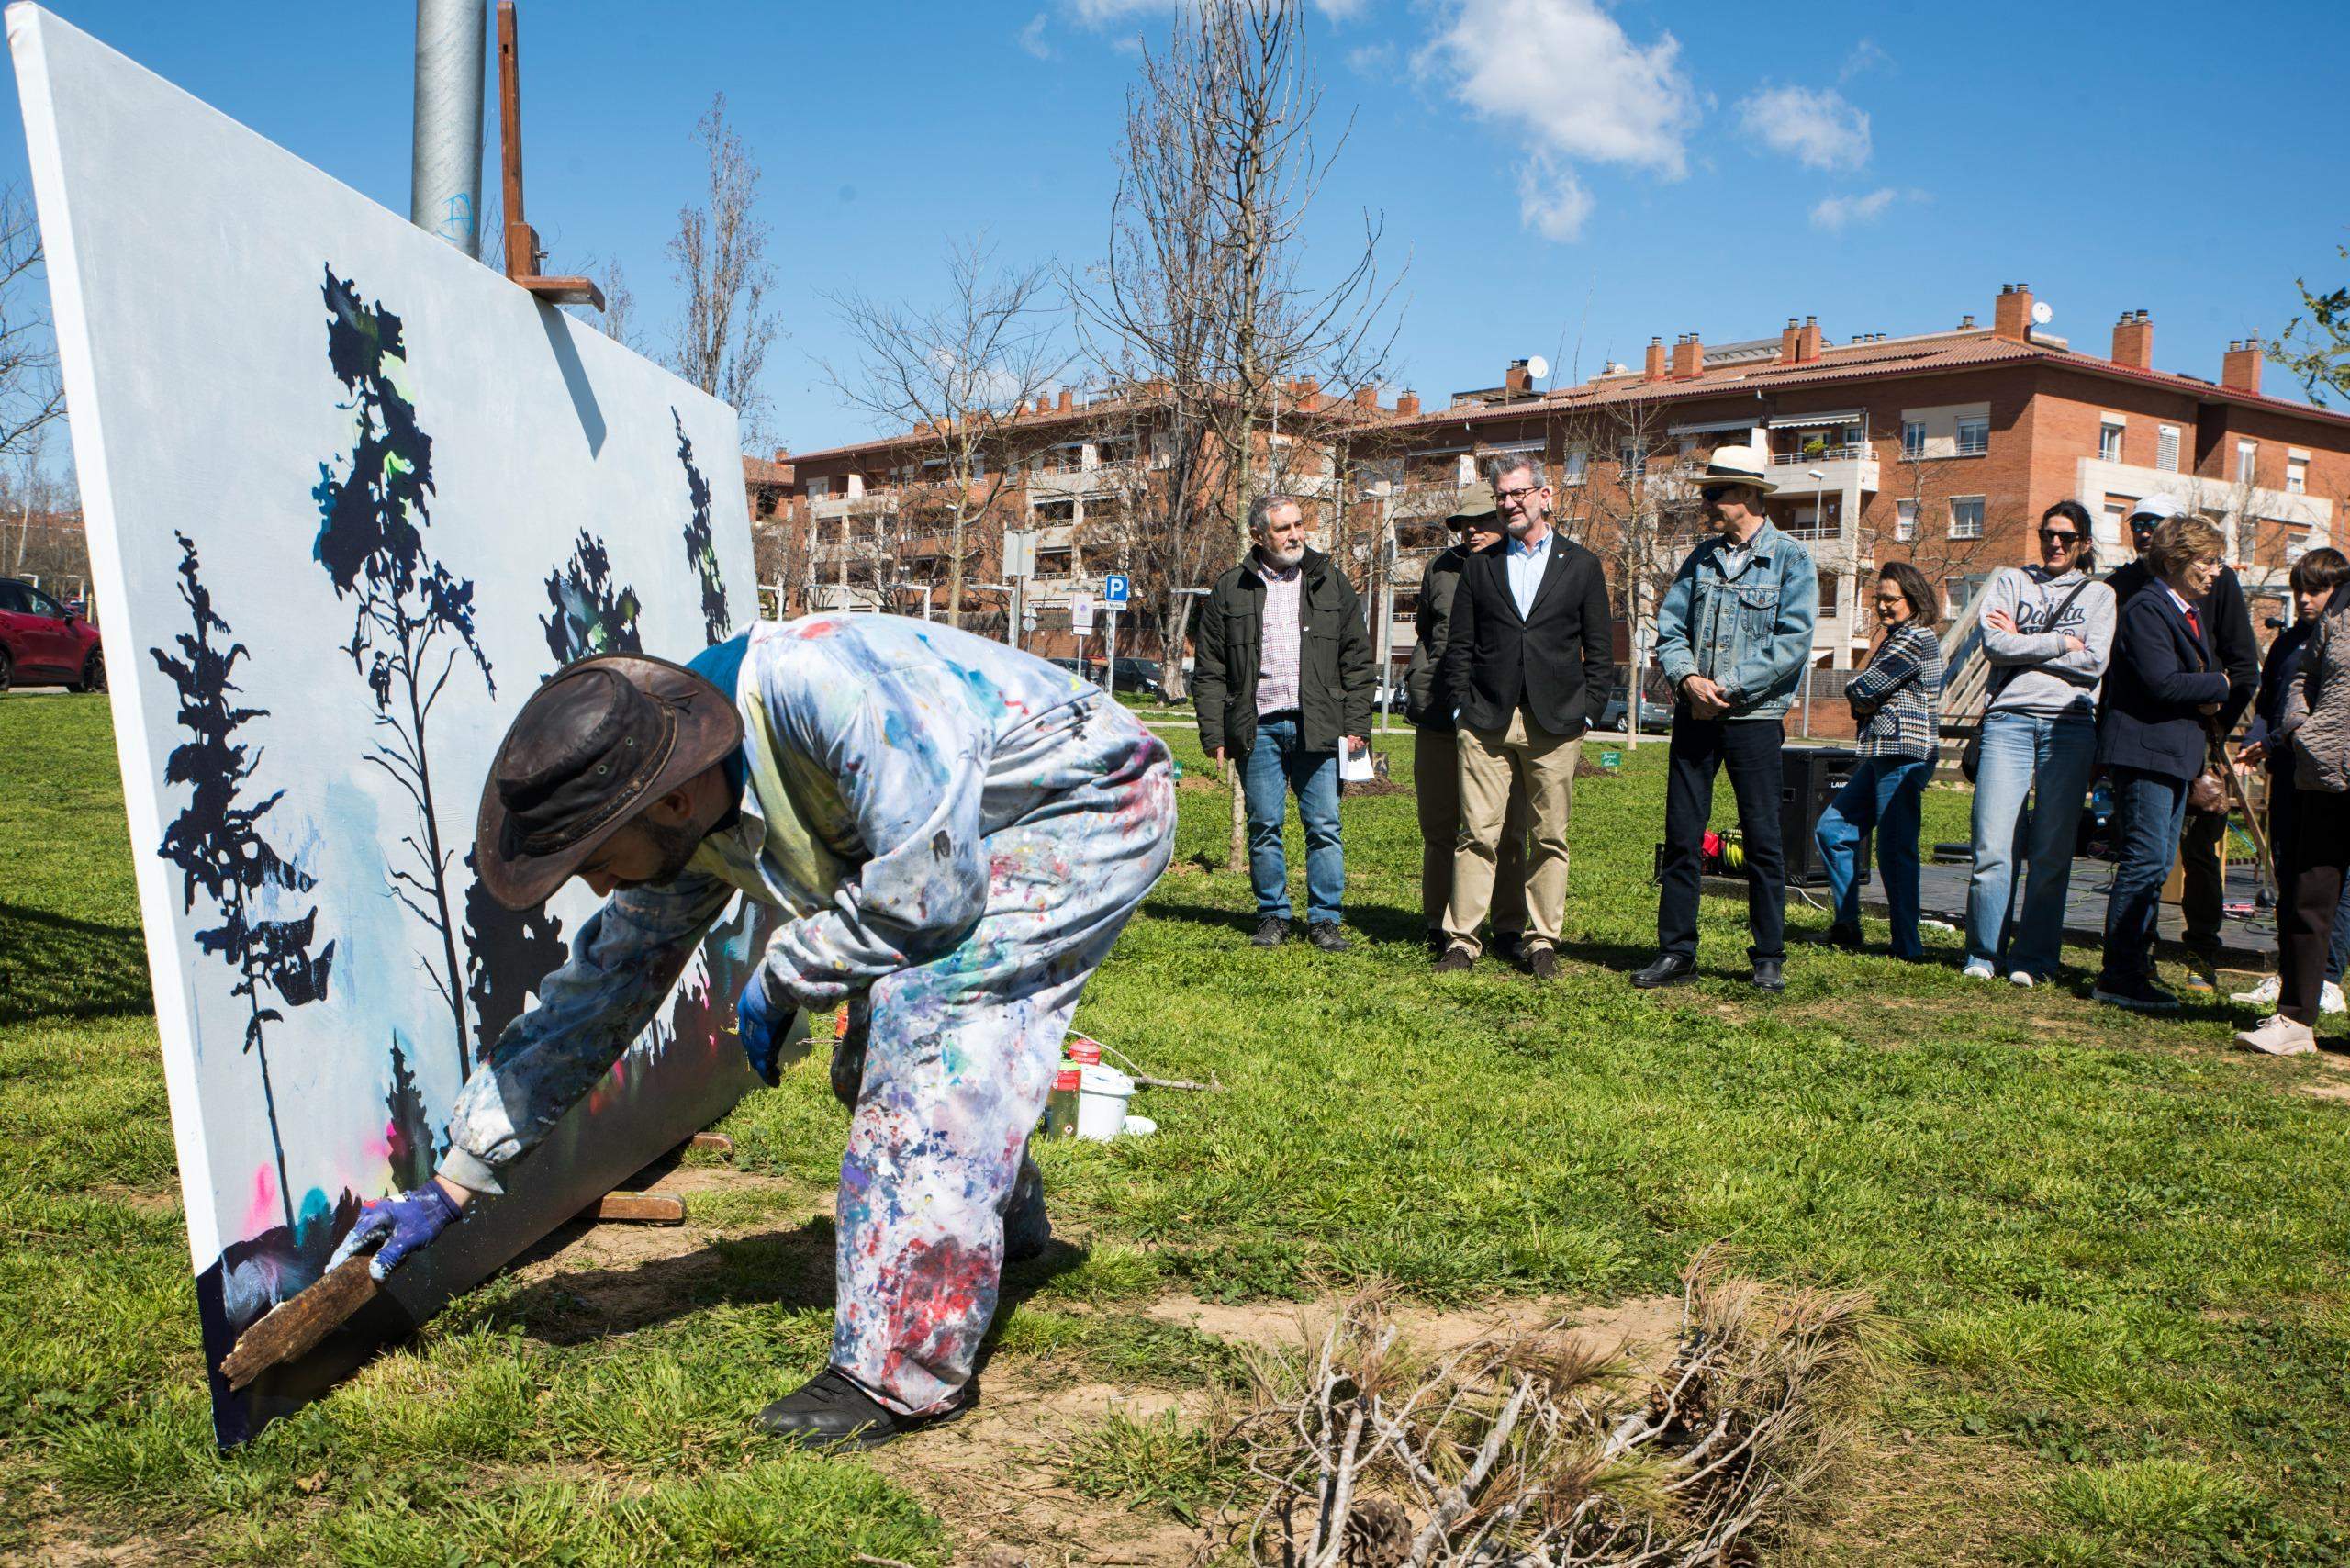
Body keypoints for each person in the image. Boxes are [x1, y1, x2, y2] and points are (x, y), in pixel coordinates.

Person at [330, 616, 1177, 1447]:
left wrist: (785, 971)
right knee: (871, 1062)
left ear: (678, 798)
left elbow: (932, 898)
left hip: (1085, 800)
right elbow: (600, 994)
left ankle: (896, 1374)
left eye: (596, 862)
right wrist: (458, 1178)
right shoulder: (673, 798)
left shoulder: (825, 694)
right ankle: (1002, 1223)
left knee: (932, 1041)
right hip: (952, 839)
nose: (596, 889)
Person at [1635, 443, 1819, 993]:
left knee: (1763, 838)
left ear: (1746, 494)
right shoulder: (1701, 559)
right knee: (1682, 835)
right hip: (1695, 715)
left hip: (1755, 718)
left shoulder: (1791, 559)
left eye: (1714, 492)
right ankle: (1677, 952)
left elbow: (1793, 643)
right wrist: (1689, 681)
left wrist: (1728, 689)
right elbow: (1670, 629)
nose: (1707, 503)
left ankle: (1768, 955)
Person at [1433, 454, 1614, 979]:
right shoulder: (1480, 567)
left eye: (1517, 494)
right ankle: (1463, 940)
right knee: (1477, 833)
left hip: (1555, 722)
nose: (1509, 504)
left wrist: (1588, 712)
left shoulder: (1581, 566)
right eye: (1501, 497)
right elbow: (1458, 646)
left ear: (1544, 495)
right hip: (1486, 718)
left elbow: (1600, 651)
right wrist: (1461, 705)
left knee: (1548, 836)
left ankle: (1542, 942)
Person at [1192, 494, 1375, 951]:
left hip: (1321, 725)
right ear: (1259, 535)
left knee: (1324, 826)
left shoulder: (1331, 582)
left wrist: (1358, 725)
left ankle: (1325, 920)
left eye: (1299, 525)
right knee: (1264, 825)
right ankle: (1273, 915)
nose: (1295, 535)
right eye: (1283, 528)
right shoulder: (1230, 588)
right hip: (1259, 729)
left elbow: (1357, 660)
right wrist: (1214, 732)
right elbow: (1210, 667)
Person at [2106, 495, 2257, 994]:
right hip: (2146, 752)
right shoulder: (2148, 608)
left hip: (2176, 754)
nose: (2217, 573)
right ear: (2175, 561)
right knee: (2146, 862)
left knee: (2155, 861)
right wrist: (2220, 686)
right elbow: (2162, 682)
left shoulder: (2186, 611)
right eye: (2208, 562)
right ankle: (2121, 974)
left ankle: (2136, 969)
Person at [1962, 501, 2117, 984]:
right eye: (2047, 533)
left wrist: (2026, 640)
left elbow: (2095, 664)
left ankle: (2033, 959)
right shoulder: (2011, 580)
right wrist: (2058, 643)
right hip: (2007, 721)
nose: (2054, 543)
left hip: (2069, 726)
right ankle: (1983, 954)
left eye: (2066, 537)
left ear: (2084, 545)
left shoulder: (2100, 595)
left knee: (2051, 849)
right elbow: (1994, 645)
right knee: (1993, 843)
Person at [1403, 482, 1529, 958]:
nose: (1472, 531)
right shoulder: (1440, 569)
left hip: (1497, 714)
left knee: (1506, 829)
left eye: (1482, 521)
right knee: (1439, 826)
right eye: (1463, 524)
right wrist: (1421, 682)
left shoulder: (1521, 569)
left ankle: (1508, 927)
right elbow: (1426, 632)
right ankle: (1438, 923)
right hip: (1437, 714)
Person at [2232, 547, 2350, 1018]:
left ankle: (2327, 978)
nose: (2303, 599)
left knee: (2329, 882)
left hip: (2325, 776)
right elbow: (2270, 705)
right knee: (2289, 876)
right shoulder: (2287, 644)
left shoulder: (2340, 640)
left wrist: (2288, 737)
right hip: (2286, 770)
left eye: (2316, 590)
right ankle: (2292, 975)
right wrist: (2259, 740)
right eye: (2298, 588)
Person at [1814, 563, 1944, 959]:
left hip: (1905, 754)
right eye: (1878, 599)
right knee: (1833, 830)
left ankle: (1907, 944)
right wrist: (1864, 696)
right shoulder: (1894, 638)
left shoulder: (1916, 638)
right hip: (1879, 753)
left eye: (1891, 599)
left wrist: (1861, 693)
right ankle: (1847, 923)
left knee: (1894, 848)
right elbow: (1868, 692)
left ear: (1914, 600)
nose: (1882, 606)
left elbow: (1865, 685)